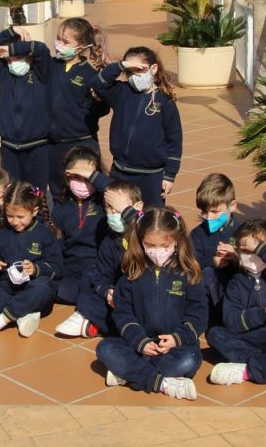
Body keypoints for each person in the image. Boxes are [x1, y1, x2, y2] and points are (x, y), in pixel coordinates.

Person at [95, 207, 207, 401]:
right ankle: (161, 382)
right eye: (150, 245)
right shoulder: (132, 273)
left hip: (174, 347)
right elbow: (123, 315)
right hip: (138, 345)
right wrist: (141, 342)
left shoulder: (188, 274)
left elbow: (198, 316)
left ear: (177, 241)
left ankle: (130, 374)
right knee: (105, 348)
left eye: (165, 245)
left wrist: (177, 338)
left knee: (191, 358)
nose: (157, 252)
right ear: (140, 241)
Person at [207, 219, 266, 386]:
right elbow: (231, 320)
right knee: (215, 334)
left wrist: (262, 250)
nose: (252, 255)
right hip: (250, 339)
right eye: (246, 251)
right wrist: (263, 313)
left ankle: (247, 370)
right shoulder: (237, 282)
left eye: (258, 249)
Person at [0, 182, 63, 339]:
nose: (15, 221)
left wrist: (36, 269)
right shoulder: (1, 232)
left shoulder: (45, 233)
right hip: (6, 287)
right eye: (10, 216)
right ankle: (22, 314)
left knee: (45, 286)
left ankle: (0, 321)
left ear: (34, 211)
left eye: (20, 217)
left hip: (31, 289)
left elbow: (57, 269)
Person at [92, 46, 182, 207]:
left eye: (139, 70)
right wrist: (121, 65)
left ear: (153, 69)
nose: (134, 77)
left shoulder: (165, 102)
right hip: (121, 172)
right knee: (118, 213)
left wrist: (169, 175)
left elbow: (174, 142)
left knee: (150, 216)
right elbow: (98, 83)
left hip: (151, 177)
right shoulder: (121, 92)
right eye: (129, 72)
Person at [56, 180, 143, 338]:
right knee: (90, 273)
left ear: (137, 207)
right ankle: (90, 317)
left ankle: (89, 317)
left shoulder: (146, 236)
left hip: (140, 294)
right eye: (108, 207)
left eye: (118, 208)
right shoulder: (111, 239)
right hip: (116, 295)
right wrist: (106, 291)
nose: (112, 213)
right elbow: (103, 273)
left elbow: (146, 224)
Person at [47, 18, 110, 196]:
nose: (59, 44)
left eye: (65, 42)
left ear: (81, 46)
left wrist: (98, 101)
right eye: (58, 39)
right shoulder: (50, 66)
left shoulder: (90, 74)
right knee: (58, 191)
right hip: (53, 144)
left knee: (84, 190)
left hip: (81, 143)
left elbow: (103, 109)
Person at [0, 26, 51, 192]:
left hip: (37, 147)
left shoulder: (40, 74)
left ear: (28, 56)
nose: (12, 63)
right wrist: (11, 31)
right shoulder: (5, 76)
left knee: (36, 194)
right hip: (9, 149)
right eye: (8, 60)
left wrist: (13, 49)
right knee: (12, 193)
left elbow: (41, 49)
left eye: (16, 58)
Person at [51, 147, 110, 307]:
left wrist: (95, 178)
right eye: (77, 177)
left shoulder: (104, 203)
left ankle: (92, 299)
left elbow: (117, 192)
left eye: (88, 178)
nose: (83, 183)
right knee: (57, 289)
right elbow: (57, 248)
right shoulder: (60, 208)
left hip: (99, 268)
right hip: (72, 271)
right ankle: (91, 298)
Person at [188, 172, 242, 326]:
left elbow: (256, 266)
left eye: (215, 212)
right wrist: (212, 263)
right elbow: (192, 266)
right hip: (211, 296)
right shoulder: (198, 234)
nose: (209, 217)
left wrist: (236, 258)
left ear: (232, 206)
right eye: (204, 212)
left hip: (238, 293)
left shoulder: (243, 232)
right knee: (207, 273)